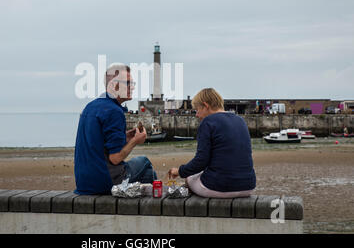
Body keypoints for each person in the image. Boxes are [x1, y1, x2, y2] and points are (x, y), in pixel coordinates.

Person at [74, 64, 158, 195]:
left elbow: (98, 142)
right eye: (129, 83)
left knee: (148, 173)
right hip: (104, 181)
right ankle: (153, 206)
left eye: (133, 83)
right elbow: (115, 158)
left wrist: (124, 137)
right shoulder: (114, 111)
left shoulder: (90, 107)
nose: (133, 87)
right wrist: (135, 141)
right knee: (144, 161)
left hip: (83, 182)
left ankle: (146, 203)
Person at [168, 88, 256, 198]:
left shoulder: (207, 122)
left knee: (189, 178)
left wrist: (179, 171)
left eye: (197, 110)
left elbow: (201, 161)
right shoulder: (240, 120)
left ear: (206, 105)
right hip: (248, 186)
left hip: (220, 187)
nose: (197, 115)